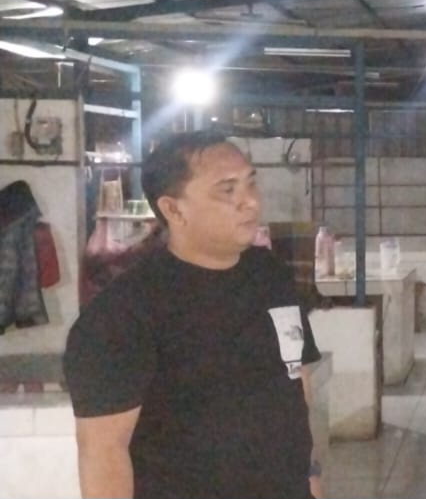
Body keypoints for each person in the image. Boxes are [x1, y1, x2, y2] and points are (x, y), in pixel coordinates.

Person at [64, 131, 323, 499]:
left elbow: (297, 390)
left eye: (251, 183)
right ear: (174, 209)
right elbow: (104, 452)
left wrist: (311, 479)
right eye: (227, 190)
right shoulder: (123, 315)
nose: (251, 201)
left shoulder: (271, 277)